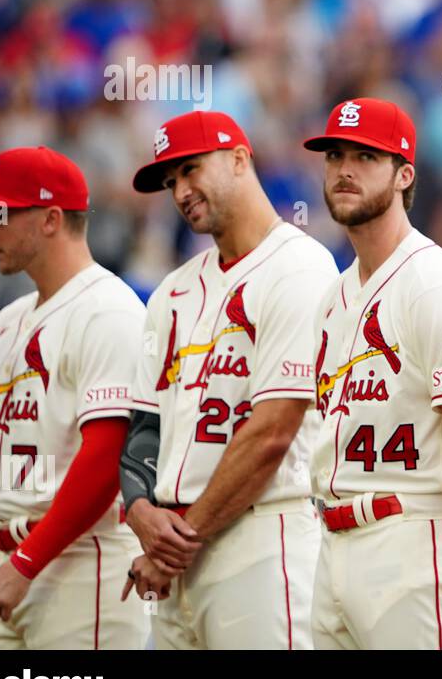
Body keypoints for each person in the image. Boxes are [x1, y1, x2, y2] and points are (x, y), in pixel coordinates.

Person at [121, 112, 338, 649]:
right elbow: (144, 426)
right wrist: (140, 509)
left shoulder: (299, 266)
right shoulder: (171, 290)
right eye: (171, 182)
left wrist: (180, 539)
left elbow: (272, 433)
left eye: (191, 169)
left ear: (240, 159)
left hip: (261, 537)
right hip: (175, 544)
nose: (181, 191)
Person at [304, 98, 442, 649]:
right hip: (332, 540)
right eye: (335, 156)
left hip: (410, 537)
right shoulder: (333, 297)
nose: (345, 170)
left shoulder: (431, 280)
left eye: (365, 156)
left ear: (405, 174)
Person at [0, 146, 148, 648]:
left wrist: (24, 564)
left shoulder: (107, 309)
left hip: (81, 568)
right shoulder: (11, 320)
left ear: (51, 219)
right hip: (13, 563)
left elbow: (106, 460)